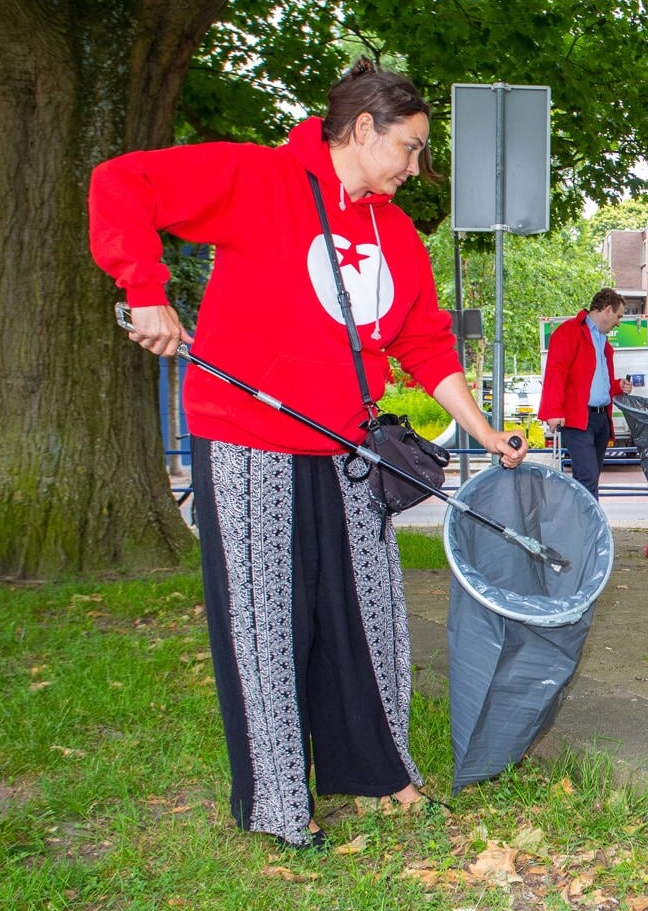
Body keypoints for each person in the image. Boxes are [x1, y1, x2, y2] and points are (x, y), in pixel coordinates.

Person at [90, 58, 526, 850]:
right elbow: (122, 184)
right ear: (364, 130)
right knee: (267, 622)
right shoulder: (258, 178)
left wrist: (485, 429)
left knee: (369, 615)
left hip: (348, 446)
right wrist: (145, 287)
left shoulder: (393, 231)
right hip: (249, 436)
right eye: (411, 147)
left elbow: (425, 342)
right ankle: (282, 802)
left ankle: (384, 772)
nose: (417, 167)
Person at [540, 288, 628, 497]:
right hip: (577, 419)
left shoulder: (602, 340)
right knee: (587, 478)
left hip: (599, 419)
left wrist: (616, 386)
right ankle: (591, 529)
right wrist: (553, 410)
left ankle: (576, 525)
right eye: (618, 316)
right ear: (607, 310)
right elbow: (556, 371)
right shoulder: (568, 331)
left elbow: (591, 378)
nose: (618, 322)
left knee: (588, 478)